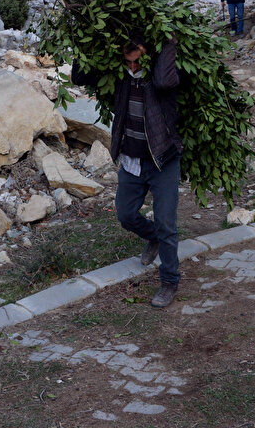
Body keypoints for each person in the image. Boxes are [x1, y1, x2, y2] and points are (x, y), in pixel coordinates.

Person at [71, 34, 183, 308]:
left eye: (138, 61)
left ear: (148, 55)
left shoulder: (162, 78)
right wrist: (85, 40)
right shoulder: (119, 77)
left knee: (166, 223)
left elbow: (165, 81)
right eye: (128, 61)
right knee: (125, 214)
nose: (133, 67)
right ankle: (152, 238)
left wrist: (168, 42)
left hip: (162, 160)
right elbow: (79, 78)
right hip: (132, 160)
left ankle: (169, 281)